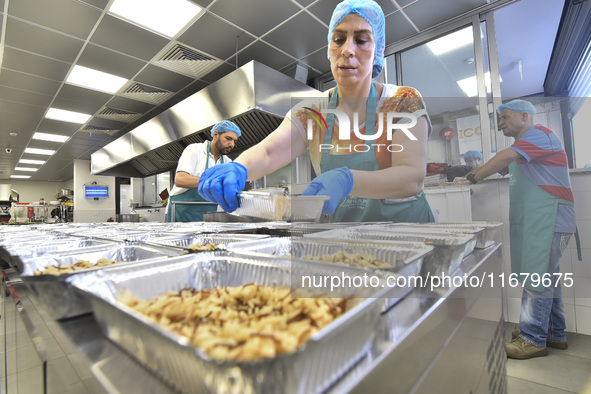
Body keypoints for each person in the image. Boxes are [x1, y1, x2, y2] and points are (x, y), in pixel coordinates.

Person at [198, 0, 435, 223]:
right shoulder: (312, 112)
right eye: (339, 39)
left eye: (361, 40)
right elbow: (269, 152)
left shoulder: (402, 101)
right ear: (329, 48)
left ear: (378, 49)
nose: (347, 50)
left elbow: (412, 177)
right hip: (348, 241)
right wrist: (239, 168)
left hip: (410, 236)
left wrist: (347, 180)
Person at [462, 99, 581, 359]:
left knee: (536, 276)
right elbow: (502, 165)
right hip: (540, 219)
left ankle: (532, 338)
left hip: (550, 217)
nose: (501, 123)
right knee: (546, 277)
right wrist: (470, 171)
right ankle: (554, 333)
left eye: (505, 117)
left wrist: (474, 176)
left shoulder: (540, 135)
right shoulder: (522, 149)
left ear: (526, 117)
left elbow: (504, 158)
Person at [165, 120, 241, 222]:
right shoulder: (195, 150)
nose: (231, 144)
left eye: (234, 141)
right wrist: (212, 182)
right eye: (228, 139)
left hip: (207, 218)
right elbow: (180, 180)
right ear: (216, 135)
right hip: (181, 214)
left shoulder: (227, 162)